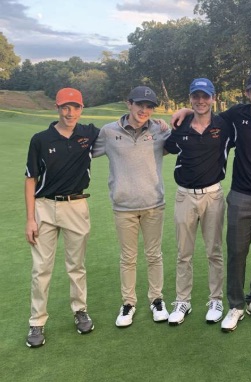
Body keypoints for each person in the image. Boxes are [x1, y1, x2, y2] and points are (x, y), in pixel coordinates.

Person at [171, 71, 251, 332]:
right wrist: (186, 109)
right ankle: (235, 305)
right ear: (248, 93)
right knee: (236, 252)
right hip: (241, 194)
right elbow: (204, 111)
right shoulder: (236, 116)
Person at [24, 88, 98, 347]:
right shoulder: (41, 139)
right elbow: (30, 179)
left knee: (76, 266)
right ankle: (37, 322)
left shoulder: (88, 134)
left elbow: (120, 128)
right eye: (66, 107)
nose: (70, 113)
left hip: (76, 206)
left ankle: (80, 310)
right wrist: (30, 218)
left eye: (75, 107)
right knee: (41, 268)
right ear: (57, 108)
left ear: (81, 108)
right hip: (44, 207)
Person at [92, 86, 171, 327]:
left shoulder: (159, 130)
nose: (144, 110)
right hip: (123, 207)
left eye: (149, 107)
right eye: (140, 105)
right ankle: (128, 303)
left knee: (154, 255)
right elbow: (83, 151)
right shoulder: (108, 132)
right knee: (128, 258)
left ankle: (157, 299)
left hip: (153, 205)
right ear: (129, 104)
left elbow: (184, 132)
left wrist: (174, 119)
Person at [164, 78, 234, 325]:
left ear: (213, 98)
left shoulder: (225, 125)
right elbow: (167, 147)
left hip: (213, 195)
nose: (201, 101)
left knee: (214, 251)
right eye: (196, 97)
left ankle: (216, 299)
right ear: (190, 98)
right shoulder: (180, 126)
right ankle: (183, 300)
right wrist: (180, 114)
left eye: (205, 96)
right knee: (184, 253)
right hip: (184, 196)